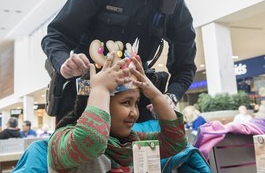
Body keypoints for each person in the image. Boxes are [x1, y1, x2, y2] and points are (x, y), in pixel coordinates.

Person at [41, 0, 197, 123]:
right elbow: (56, 35)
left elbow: (185, 64)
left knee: (146, 148)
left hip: (135, 101)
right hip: (85, 94)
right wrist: (64, 63)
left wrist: (171, 95)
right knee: (76, 146)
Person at [47, 52, 187, 172]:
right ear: (97, 100)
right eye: (126, 102)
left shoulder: (131, 141)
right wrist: (100, 89)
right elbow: (92, 141)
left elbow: (175, 142)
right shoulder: (61, 140)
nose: (134, 113)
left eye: (136, 103)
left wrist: (156, 96)